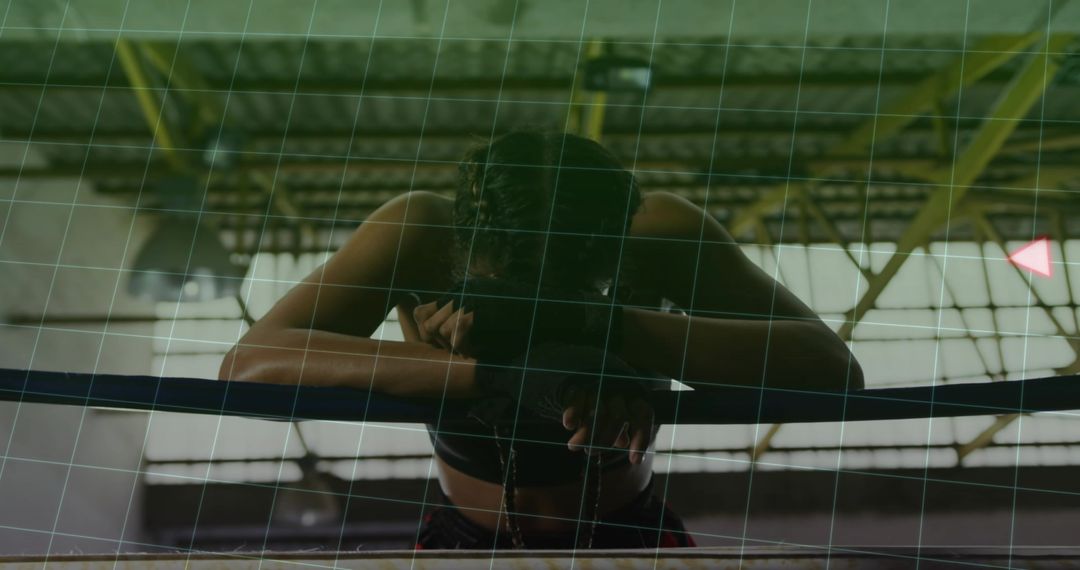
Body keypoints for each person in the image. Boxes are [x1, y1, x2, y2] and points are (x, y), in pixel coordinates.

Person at [219, 131, 864, 549]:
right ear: (466, 249)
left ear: (616, 251)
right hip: (465, 539)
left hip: (626, 533)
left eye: (569, 290)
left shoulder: (663, 238)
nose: (539, 305)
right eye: (515, 287)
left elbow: (833, 370)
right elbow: (246, 365)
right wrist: (483, 371)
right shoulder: (419, 236)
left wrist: (603, 329)